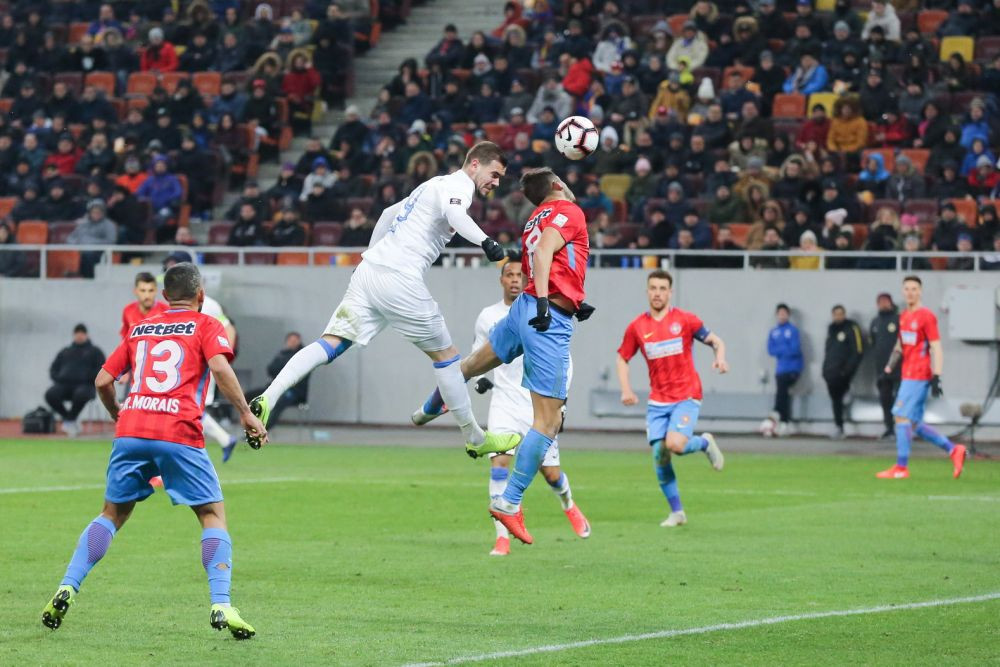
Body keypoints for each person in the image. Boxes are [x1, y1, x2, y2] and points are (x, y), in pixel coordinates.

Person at [41, 263, 266, 639]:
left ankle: (67, 585)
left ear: (162, 297)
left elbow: (103, 380)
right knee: (211, 514)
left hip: (132, 428)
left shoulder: (140, 327)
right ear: (200, 296)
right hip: (178, 430)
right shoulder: (206, 324)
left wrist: (119, 414)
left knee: (111, 514)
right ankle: (222, 604)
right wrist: (245, 413)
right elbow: (221, 369)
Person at [249, 142, 514, 455]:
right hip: (400, 278)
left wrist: (369, 256)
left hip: (370, 273)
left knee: (330, 342)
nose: (496, 182)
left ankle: (270, 395)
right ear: (474, 165)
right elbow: (456, 214)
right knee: (448, 359)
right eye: (494, 174)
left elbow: (389, 214)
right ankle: (475, 438)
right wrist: (487, 242)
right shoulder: (459, 187)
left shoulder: (430, 186)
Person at [411, 167, 594, 545]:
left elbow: (547, 258)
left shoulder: (533, 219)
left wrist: (572, 298)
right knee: (548, 422)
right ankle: (509, 503)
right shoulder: (569, 211)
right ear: (558, 184)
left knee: (470, 365)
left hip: (521, 311)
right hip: (546, 316)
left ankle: (428, 408)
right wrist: (550, 303)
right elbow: (545, 254)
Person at [469, 262, 590, 556]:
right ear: (501, 280)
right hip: (504, 402)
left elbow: (562, 358)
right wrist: (478, 383)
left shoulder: (543, 309)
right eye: (509, 275)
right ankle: (502, 537)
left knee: (550, 474)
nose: (514, 280)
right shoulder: (488, 316)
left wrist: (563, 402)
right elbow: (477, 356)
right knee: (499, 464)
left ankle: (568, 504)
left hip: (537, 404)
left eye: (519, 276)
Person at [615, 270, 727, 528]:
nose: (657, 293)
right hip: (658, 401)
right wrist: (626, 389)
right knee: (660, 455)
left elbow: (715, 341)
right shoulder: (637, 327)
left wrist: (719, 357)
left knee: (675, 444)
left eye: (662, 288)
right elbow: (622, 358)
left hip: (687, 394)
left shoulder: (685, 321)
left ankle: (704, 443)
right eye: (653, 288)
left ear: (670, 292)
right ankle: (677, 512)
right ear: (647, 292)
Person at [877, 276, 967, 480]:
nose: (910, 292)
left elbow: (936, 346)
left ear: (920, 292)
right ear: (902, 292)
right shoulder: (903, 316)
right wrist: (888, 369)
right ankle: (954, 450)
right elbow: (900, 346)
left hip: (919, 374)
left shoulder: (926, 316)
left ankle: (901, 467)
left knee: (900, 415)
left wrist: (937, 375)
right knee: (914, 423)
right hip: (907, 373)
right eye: (907, 288)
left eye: (914, 289)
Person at [162, 251, 241, 462]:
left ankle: (185, 459)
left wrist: (222, 358)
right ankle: (221, 442)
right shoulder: (169, 305)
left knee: (187, 412)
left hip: (200, 368)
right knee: (184, 412)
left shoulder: (210, 304)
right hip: (178, 367)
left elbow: (228, 328)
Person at [44, 324, 106, 437]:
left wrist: (88, 378)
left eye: (82, 333)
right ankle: (70, 419)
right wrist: (59, 378)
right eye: (77, 333)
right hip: (64, 384)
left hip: (86, 385)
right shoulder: (65, 351)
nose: (79, 336)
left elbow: (102, 369)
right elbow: (54, 368)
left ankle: (70, 420)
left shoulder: (95, 352)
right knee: (50, 394)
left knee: (81, 394)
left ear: (86, 335)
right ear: (74, 335)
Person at [245, 333, 310, 429]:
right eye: (290, 341)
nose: (292, 343)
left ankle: (262, 430)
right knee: (248, 395)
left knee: (277, 402)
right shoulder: (282, 354)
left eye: (295, 341)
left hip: (294, 391)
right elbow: (271, 369)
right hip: (277, 386)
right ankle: (252, 422)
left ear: (299, 341)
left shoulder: (304, 355)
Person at [822, 305, 864, 439]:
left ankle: (841, 425)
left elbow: (857, 351)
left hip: (843, 372)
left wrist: (847, 371)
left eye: (841, 314)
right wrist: (825, 369)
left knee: (840, 398)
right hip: (830, 372)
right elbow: (828, 351)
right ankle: (839, 426)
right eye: (836, 314)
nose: (838, 316)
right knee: (836, 399)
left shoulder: (851, 328)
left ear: (844, 314)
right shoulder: (831, 329)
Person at [767, 304, 803, 435]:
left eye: (784, 313)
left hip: (793, 368)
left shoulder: (793, 330)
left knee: (782, 391)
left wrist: (781, 350)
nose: (782, 315)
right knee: (783, 393)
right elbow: (771, 350)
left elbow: (795, 350)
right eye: (780, 313)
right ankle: (784, 422)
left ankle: (778, 413)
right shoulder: (774, 331)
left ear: (788, 315)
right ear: (777, 315)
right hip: (780, 369)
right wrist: (785, 349)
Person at [869, 292, 900, 439]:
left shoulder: (899, 319)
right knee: (885, 398)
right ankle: (889, 427)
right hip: (881, 369)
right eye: (880, 302)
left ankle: (902, 428)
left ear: (891, 303)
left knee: (901, 399)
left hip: (899, 368)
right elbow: (873, 343)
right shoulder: (875, 322)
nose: (883, 304)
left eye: (886, 301)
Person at [120, 271, 170, 341]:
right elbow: (125, 339)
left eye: (151, 290)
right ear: (135, 291)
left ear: (156, 291)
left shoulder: (167, 311)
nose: (147, 295)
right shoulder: (128, 310)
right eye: (143, 290)